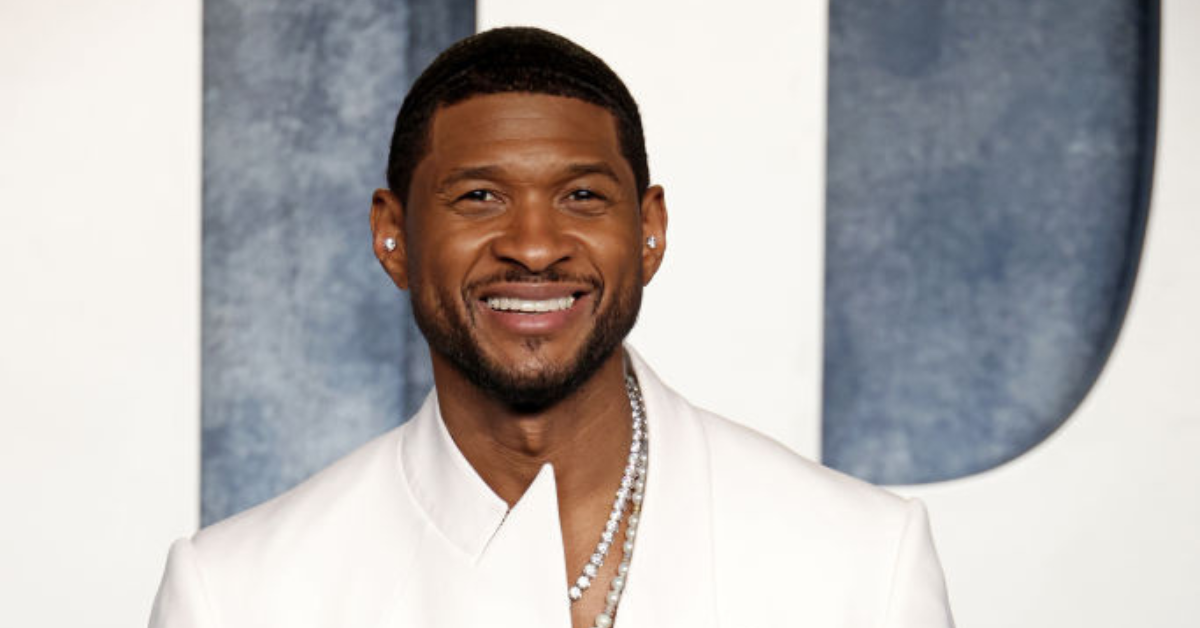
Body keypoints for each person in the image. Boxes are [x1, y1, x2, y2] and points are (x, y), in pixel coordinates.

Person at [150, 26, 954, 628]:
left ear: (650, 232)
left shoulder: (861, 563)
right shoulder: (237, 596)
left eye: (582, 197)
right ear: (393, 237)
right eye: (479, 197)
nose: (534, 247)